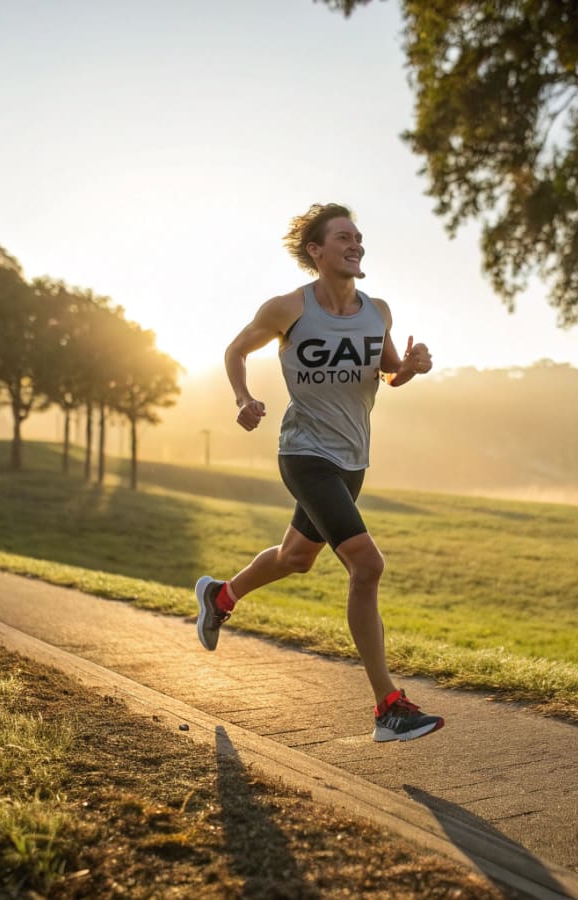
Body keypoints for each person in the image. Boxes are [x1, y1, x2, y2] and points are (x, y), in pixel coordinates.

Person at [194, 203, 444, 743]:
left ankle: (220, 597)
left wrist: (412, 368)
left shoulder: (378, 311)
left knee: (296, 558)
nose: (356, 245)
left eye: (359, 238)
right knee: (367, 566)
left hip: (353, 458)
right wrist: (244, 397)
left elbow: (390, 372)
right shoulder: (288, 309)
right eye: (343, 237)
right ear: (317, 251)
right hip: (305, 454)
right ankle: (388, 708)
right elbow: (237, 349)